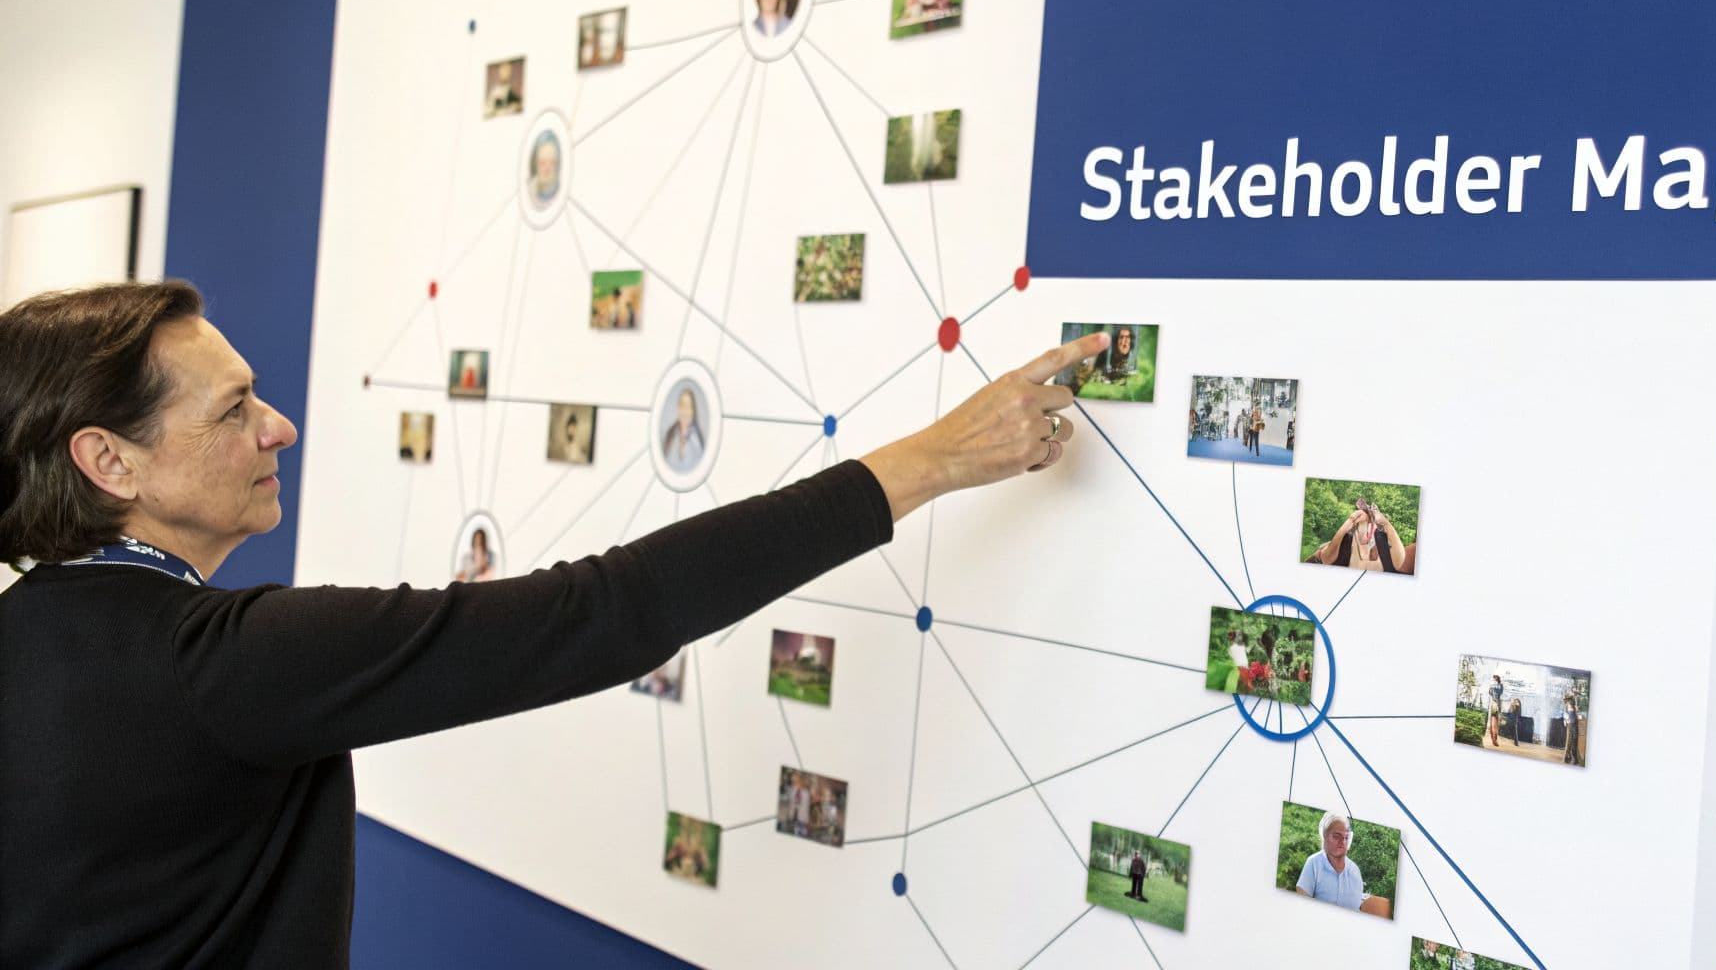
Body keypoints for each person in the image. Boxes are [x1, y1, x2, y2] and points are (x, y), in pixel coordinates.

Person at [0, 281, 1107, 966]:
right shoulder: (214, 666)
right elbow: (606, 613)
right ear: (109, 460)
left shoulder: (32, 633)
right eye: (234, 408)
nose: (278, 426)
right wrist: (937, 457)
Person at [1295, 810, 1375, 914]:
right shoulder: (1314, 863)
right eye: (1336, 836)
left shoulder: (1355, 870)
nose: (1342, 842)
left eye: (1346, 837)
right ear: (1325, 836)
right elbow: (1302, 905)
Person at [1307, 498, 1409, 574]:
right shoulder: (1346, 543)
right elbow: (1326, 559)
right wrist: (1350, 521)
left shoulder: (1382, 541)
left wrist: (1386, 523)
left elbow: (1399, 563)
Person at [661, 384, 707, 472]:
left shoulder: (697, 440)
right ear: (678, 408)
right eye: (682, 406)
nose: (685, 411)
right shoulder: (670, 434)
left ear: (693, 411)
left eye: (688, 407)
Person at [528, 131, 560, 209]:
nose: (547, 168)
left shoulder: (559, 188)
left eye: (551, 163)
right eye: (542, 163)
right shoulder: (531, 188)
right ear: (536, 164)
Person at [1563, 689, 1583, 766]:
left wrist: (1577, 712)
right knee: (1571, 741)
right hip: (1571, 723)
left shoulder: (1572, 702)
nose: (1575, 695)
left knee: (1573, 740)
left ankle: (1572, 758)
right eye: (1574, 693)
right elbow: (1568, 712)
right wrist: (1566, 720)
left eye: (1576, 694)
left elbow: (1575, 711)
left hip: (1573, 722)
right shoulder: (1569, 702)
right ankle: (1569, 758)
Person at [1487, 674, 1503, 747]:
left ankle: (1494, 739)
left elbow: (1490, 692)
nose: (1494, 680)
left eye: (1494, 678)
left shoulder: (1493, 685)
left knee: (1494, 721)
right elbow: (1500, 693)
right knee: (1495, 721)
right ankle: (1494, 739)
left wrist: (1492, 687)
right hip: (1497, 703)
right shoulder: (1500, 686)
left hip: (1494, 703)